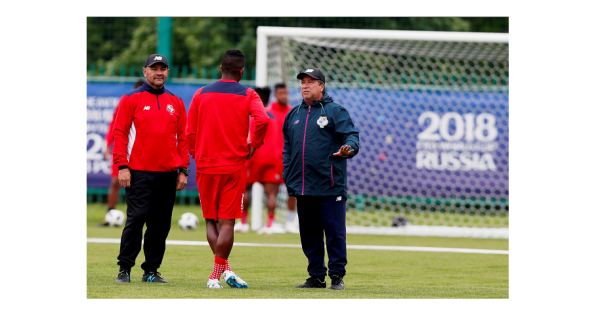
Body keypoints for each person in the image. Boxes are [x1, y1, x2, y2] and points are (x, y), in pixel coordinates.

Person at [186, 49, 269, 289]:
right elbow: (263, 120)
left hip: (206, 165)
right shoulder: (248, 93)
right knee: (227, 223)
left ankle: (221, 272)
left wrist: (195, 155)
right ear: (241, 71)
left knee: (210, 220)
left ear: (221, 68)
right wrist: (254, 144)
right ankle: (218, 273)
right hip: (234, 165)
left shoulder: (201, 93)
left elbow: (190, 131)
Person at [112, 54, 190, 283]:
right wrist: (122, 166)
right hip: (138, 172)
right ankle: (124, 269)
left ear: (167, 72)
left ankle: (151, 271)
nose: (159, 72)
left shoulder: (176, 102)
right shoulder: (131, 99)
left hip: (167, 174)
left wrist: (183, 169)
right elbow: (120, 133)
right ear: (145, 71)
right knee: (136, 219)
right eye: (154, 68)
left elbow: (182, 139)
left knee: (160, 225)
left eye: (163, 68)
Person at [282, 68, 359, 290]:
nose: (305, 85)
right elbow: (287, 148)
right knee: (309, 234)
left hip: (330, 184)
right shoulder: (293, 114)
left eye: (311, 82)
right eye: (303, 82)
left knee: (335, 233)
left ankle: (337, 276)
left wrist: (349, 149)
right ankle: (316, 277)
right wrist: (288, 171)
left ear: (321, 86)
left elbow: (352, 135)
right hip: (303, 185)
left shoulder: (335, 111)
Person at [236, 83, 298, 235]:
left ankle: (243, 223)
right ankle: (270, 224)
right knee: (272, 193)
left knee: (245, 190)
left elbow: (246, 137)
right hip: (272, 159)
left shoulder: (250, 116)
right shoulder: (273, 117)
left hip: (252, 157)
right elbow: (278, 140)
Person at [98, 79, 144, 227]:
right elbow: (115, 126)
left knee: (141, 185)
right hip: (122, 149)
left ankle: (141, 217)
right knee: (115, 181)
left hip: (140, 152)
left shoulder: (151, 105)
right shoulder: (126, 102)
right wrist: (107, 145)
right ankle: (110, 214)